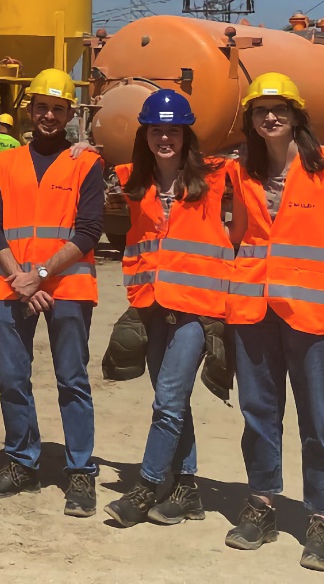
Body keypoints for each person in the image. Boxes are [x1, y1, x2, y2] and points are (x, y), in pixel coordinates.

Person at [224, 73, 324, 573]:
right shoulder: (242, 171)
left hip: (314, 315)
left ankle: (321, 519)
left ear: (297, 115)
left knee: (320, 420)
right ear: (251, 120)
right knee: (259, 413)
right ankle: (261, 504)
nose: (270, 116)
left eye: (279, 108)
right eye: (260, 110)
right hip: (252, 312)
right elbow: (237, 239)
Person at [101, 88, 232, 529]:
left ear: (185, 135)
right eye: (157, 130)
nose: (165, 138)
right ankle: (187, 491)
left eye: (173, 130)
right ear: (146, 135)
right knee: (171, 403)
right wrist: (78, 148)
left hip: (197, 311)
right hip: (152, 309)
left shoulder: (215, 177)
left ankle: (145, 486)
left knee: (169, 401)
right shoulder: (133, 182)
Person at [0, 69, 103, 517]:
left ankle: (81, 471)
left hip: (67, 286)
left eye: (58, 108)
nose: (49, 115)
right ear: (29, 110)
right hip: (13, 286)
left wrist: (41, 275)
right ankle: (21, 462)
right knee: (13, 380)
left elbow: (89, 231)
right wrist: (20, 278)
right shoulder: (6, 162)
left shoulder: (85, 162)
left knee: (72, 380)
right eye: (42, 107)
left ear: (70, 113)